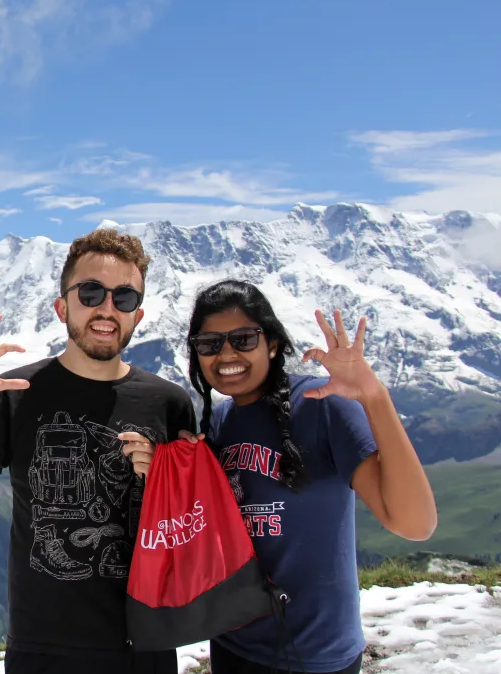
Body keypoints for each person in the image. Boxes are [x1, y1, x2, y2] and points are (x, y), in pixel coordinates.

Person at [0, 229, 197, 674]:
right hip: (42, 653)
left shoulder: (170, 404)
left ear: (138, 315)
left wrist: (166, 477)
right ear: (61, 306)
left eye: (124, 298)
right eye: (91, 292)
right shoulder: (14, 397)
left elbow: (190, 527)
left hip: (146, 649)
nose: (107, 309)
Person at [179, 279, 437, 674]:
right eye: (209, 344)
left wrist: (374, 397)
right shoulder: (218, 422)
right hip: (232, 641)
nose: (226, 353)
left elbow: (414, 523)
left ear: (273, 344)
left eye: (243, 338)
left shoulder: (321, 406)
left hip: (315, 653)